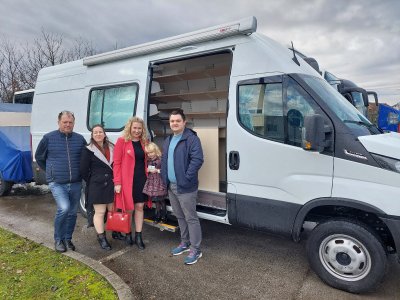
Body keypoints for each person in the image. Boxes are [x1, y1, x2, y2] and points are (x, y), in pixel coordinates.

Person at [35, 110, 86, 253]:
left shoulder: (79, 139)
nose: (68, 125)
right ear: (59, 122)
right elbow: (39, 157)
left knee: (72, 213)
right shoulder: (48, 138)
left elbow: (85, 158)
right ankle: (58, 239)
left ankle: (67, 239)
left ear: (74, 123)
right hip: (57, 183)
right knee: (64, 209)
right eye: (65, 122)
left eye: (70, 122)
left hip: (76, 182)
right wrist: (50, 172)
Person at [161, 109, 204, 265]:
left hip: (185, 187)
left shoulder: (191, 139)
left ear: (184, 122)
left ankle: (196, 250)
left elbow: (198, 160)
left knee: (190, 217)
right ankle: (185, 243)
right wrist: (163, 179)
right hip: (171, 186)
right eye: (172, 121)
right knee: (179, 216)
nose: (174, 123)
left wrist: (186, 178)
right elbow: (164, 161)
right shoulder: (168, 140)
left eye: (178, 121)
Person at [113, 116, 151, 250]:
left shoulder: (144, 142)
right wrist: (117, 182)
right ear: (130, 128)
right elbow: (116, 163)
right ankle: (128, 232)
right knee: (128, 208)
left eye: (139, 128)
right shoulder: (121, 141)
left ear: (142, 129)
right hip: (126, 180)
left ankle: (138, 235)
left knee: (140, 206)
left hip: (141, 179)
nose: (137, 131)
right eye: (134, 128)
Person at [80, 124, 114, 250]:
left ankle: (115, 231)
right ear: (92, 135)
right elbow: (83, 170)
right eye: (95, 132)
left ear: (104, 134)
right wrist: (93, 180)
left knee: (112, 211)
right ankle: (101, 237)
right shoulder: (88, 149)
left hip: (111, 184)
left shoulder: (112, 147)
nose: (98, 134)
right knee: (100, 212)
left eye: (100, 132)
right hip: (97, 185)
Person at [143, 142, 167, 224]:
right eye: (148, 153)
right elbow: (146, 170)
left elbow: (165, 170)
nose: (150, 154)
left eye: (151, 152)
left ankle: (164, 216)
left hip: (160, 182)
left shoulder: (160, 159)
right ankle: (157, 216)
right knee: (156, 200)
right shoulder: (148, 161)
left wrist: (157, 170)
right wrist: (147, 170)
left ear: (156, 150)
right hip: (152, 183)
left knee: (162, 200)